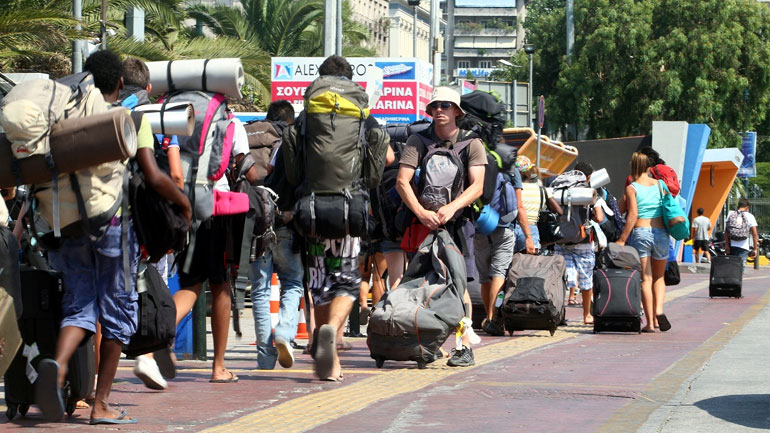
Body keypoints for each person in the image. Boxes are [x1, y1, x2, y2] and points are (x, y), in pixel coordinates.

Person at [37, 49, 187, 424]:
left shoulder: (67, 118)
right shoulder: (130, 117)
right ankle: (101, 403)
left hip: (70, 226)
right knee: (118, 312)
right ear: (120, 83)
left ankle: (57, 366)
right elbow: (153, 176)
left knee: (79, 307)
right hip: (113, 228)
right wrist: (182, 201)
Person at [283, 55, 390, 381]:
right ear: (348, 78)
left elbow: (291, 169)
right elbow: (377, 168)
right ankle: (331, 330)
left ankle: (325, 351)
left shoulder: (305, 117)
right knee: (345, 279)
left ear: (320, 78)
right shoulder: (362, 115)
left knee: (318, 280)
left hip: (311, 214)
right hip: (348, 213)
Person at [396, 86, 486, 367]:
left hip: (456, 225)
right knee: (416, 284)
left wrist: (450, 208)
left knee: (458, 286)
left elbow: (478, 186)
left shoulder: (472, 143)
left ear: (457, 111)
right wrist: (422, 213)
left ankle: (463, 347)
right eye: (435, 105)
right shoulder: (417, 141)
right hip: (422, 225)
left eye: (445, 105)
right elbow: (402, 181)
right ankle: (424, 343)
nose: (439, 110)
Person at [165, 104, 256, 384]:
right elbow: (246, 168)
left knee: (191, 284)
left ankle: (159, 339)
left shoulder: (180, 120)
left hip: (187, 205)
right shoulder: (232, 124)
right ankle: (218, 367)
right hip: (219, 210)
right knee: (221, 285)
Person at [120, 57, 191, 390]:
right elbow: (175, 173)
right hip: (150, 218)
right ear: (149, 88)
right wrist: (179, 205)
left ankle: (90, 372)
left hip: (109, 213)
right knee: (153, 283)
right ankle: (149, 351)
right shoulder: (162, 118)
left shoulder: (107, 110)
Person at [249, 100, 305, 370]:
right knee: (292, 283)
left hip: (255, 222)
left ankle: (264, 356)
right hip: (285, 220)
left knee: (259, 291)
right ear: (290, 121)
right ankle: (284, 332)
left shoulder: (249, 133)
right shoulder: (289, 141)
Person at [475, 154, 532, 337]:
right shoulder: (511, 169)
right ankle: (494, 319)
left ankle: (487, 316)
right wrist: (528, 236)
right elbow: (519, 206)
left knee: (484, 276)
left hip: (480, 224)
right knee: (498, 272)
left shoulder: (476, 163)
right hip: (504, 227)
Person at [616, 152, 670, 333]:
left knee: (646, 278)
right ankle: (659, 311)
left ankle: (650, 323)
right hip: (661, 232)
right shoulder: (661, 185)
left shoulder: (632, 188)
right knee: (659, 277)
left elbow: (630, 214)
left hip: (641, 232)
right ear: (649, 167)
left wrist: (622, 239)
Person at [552, 161, 604, 325]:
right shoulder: (589, 192)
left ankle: (559, 315)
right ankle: (587, 315)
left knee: (561, 281)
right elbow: (600, 218)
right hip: (582, 242)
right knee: (586, 281)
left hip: (561, 241)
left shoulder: (560, 189)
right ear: (588, 177)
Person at [513, 155, 543, 254]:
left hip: (511, 227)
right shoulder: (540, 189)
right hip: (531, 228)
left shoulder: (511, 188)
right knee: (529, 266)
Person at [725, 198, 759, 273]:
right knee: (740, 269)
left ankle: (732, 283)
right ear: (747, 207)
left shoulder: (731, 214)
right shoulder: (750, 216)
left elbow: (726, 232)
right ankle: (738, 283)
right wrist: (755, 249)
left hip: (732, 246)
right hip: (743, 247)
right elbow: (754, 234)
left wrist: (727, 245)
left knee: (732, 267)